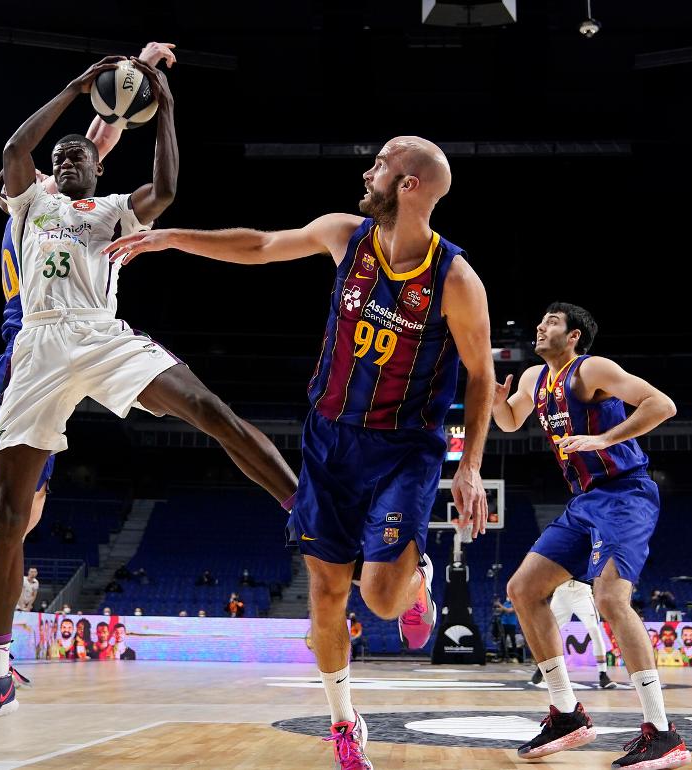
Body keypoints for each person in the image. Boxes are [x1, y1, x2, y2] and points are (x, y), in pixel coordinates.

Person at [0, 53, 302, 732]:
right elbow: (17, 146)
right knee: (10, 518)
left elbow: (166, 184)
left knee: (209, 410)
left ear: (99, 169)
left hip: (99, 335)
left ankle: (300, 507)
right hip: (38, 348)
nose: (71, 156)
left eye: (82, 153)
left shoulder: (114, 210)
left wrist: (164, 102)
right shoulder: (30, 201)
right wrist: (76, 88)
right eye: (64, 153)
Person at [105, 135, 494, 770]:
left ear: (410, 187)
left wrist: (470, 465)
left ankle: (415, 582)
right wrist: (171, 237)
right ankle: (344, 722)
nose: (366, 172)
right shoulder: (345, 235)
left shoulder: (455, 279)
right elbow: (259, 245)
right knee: (325, 590)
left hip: (404, 449)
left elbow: (480, 377)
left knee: (384, 600)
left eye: (380, 167)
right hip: (330, 439)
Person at [493, 303, 691, 768]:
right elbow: (509, 422)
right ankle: (567, 714)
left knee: (611, 600)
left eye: (553, 322)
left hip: (625, 494)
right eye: (540, 321)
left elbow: (663, 405)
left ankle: (663, 733)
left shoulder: (592, 370)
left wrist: (605, 439)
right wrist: (496, 400)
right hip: (583, 502)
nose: (541, 326)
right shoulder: (531, 380)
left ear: (575, 336)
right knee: (522, 589)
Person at [532, 580, 618, 689]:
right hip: (561, 593)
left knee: (594, 630)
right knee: (549, 631)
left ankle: (603, 675)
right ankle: (543, 667)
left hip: (581, 593)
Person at [495, 597, 521, 662]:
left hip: (512, 624)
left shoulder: (515, 603)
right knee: (502, 640)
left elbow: (509, 610)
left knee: (513, 639)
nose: (508, 597)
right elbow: (501, 610)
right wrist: (497, 607)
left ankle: (515, 656)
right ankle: (502, 656)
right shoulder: (505, 603)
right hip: (504, 623)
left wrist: (500, 605)